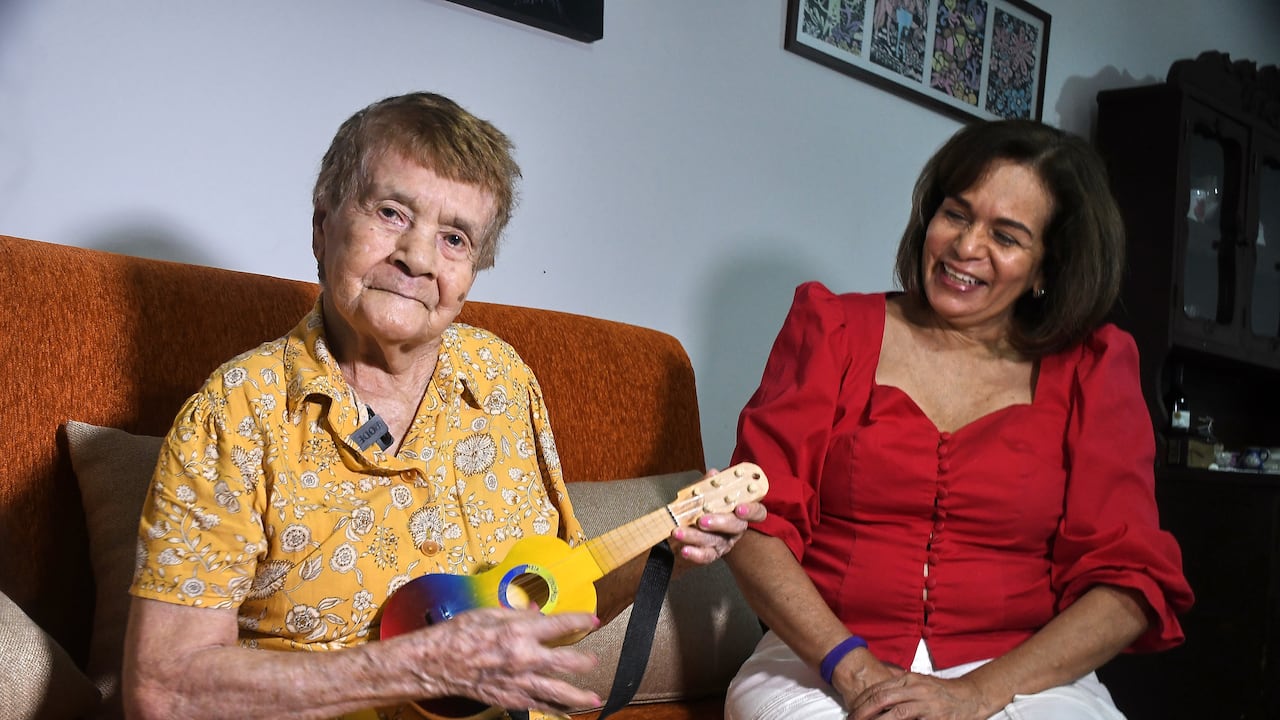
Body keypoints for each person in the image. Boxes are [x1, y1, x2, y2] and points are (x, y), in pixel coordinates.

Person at [121, 92, 764, 720]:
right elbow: (163, 690)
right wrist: (412, 668)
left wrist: (669, 550)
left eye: (455, 238)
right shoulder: (235, 413)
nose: (418, 258)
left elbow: (552, 597)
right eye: (392, 213)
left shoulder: (501, 377)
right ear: (323, 225)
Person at [722, 119, 1194, 720]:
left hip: (1023, 676)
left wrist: (977, 694)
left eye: (1006, 236)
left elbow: (1128, 583)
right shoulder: (832, 329)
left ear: (1047, 268)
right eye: (956, 214)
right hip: (820, 658)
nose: (966, 247)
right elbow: (753, 523)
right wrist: (854, 668)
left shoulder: (1092, 371)